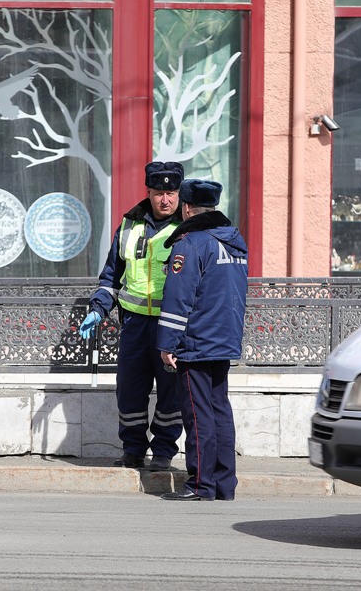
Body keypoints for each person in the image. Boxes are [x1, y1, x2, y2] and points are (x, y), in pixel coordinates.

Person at [79, 161, 185, 471]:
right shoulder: (129, 225)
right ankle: (133, 449)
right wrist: (98, 309)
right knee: (130, 389)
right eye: (158, 193)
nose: (165, 200)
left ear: (179, 193)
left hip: (172, 325)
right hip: (135, 324)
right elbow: (111, 277)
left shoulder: (188, 227)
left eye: (171, 192)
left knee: (170, 393)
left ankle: (164, 452)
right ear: (148, 193)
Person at [157, 179, 249, 501]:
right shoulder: (233, 242)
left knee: (197, 415)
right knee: (219, 410)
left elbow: (178, 298)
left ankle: (200, 484)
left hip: (196, 342)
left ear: (186, 207)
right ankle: (224, 484)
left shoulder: (190, 243)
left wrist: (167, 344)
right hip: (224, 339)